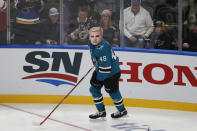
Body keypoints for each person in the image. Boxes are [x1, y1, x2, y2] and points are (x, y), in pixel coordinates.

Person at [88, 27, 127, 119]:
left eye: (97, 36)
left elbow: (106, 69)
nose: (94, 38)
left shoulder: (103, 48)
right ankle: (101, 111)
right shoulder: (90, 43)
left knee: (113, 92)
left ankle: (122, 110)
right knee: (93, 89)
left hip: (111, 73)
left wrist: (98, 80)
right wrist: (97, 63)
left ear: (101, 36)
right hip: (101, 69)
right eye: (92, 36)